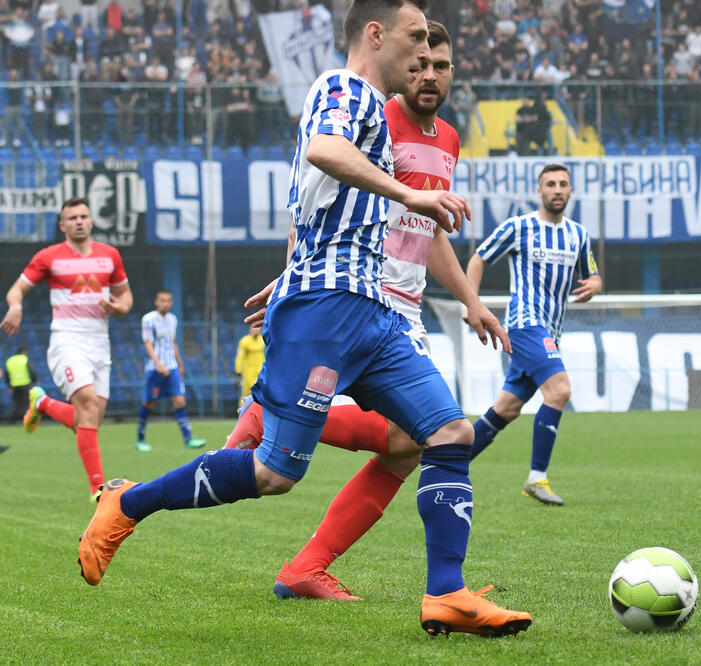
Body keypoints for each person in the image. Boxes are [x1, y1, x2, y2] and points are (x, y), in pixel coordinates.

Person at [76, 0, 531, 639]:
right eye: (413, 37)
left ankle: (447, 594)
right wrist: (408, 193)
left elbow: (324, 209)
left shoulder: (385, 111)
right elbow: (322, 149)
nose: (422, 51)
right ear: (376, 34)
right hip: (325, 312)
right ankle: (128, 503)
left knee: (449, 434)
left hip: (369, 311)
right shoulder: (347, 89)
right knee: (274, 473)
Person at [226, 20, 511, 603]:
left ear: (454, 72)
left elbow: (427, 228)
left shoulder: (448, 139)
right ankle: (271, 414)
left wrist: (471, 300)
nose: (428, 73)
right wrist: (294, 278)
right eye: (420, 60)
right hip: (357, 292)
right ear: (402, 57)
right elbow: (316, 192)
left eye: (441, 65)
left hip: (405, 301)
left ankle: (306, 563)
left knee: (411, 445)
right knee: (424, 436)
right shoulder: (375, 114)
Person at [466, 163, 603, 505]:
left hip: (552, 332)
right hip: (525, 324)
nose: (557, 190)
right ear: (539, 191)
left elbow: (592, 272)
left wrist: (596, 283)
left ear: (571, 192)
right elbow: (478, 258)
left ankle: (447, 462)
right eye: (550, 184)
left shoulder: (577, 235)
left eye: (563, 184)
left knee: (507, 409)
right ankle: (537, 478)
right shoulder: (519, 227)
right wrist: (472, 303)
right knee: (560, 390)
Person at [1, 198, 133, 500]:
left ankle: (41, 403)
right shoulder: (49, 257)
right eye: (72, 217)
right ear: (62, 225)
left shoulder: (110, 256)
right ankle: (98, 491)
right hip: (66, 340)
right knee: (87, 406)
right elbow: (16, 289)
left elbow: (126, 298)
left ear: (91, 220)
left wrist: (117, 307)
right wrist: (16, 306)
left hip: (99, 344)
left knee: (90, 421)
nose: (78, 221)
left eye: (83, 216)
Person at [135, 291, 206, 452]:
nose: (165, 303)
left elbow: (172, 342)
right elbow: (148, 344)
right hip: (155, 369)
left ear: (171, 302)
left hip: (172, 367)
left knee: (180, 401)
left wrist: (180, 365)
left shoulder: (173, 319)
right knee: (149, 403)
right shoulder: (148, 319)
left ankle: (189, 439)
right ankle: (140, 439)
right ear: (156, 302)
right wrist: (159, 364)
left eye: (168, 301)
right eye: (162, 301)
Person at [5, 346, 37, 424]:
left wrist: (9, 386)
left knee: (16, 404)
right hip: (26, 384)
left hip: (14, 386)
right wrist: (35, 382)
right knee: (28, 404)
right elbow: (32, 371)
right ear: (23, 352)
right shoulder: (25, 359)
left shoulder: (10, 360)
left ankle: (11, 422)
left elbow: (7, 375)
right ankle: (29, 421)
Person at [233, 324, 265, 403]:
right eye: (254, 328)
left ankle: (259, 414)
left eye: (257, 328)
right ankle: (242, 413)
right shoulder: (245, 341)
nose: (256, 330)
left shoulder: (263, 340)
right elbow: (240, 357)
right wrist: (238, 371)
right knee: (246, 394)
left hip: (260, 372)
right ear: (250, 329)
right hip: (248, 373)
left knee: (261, 393)